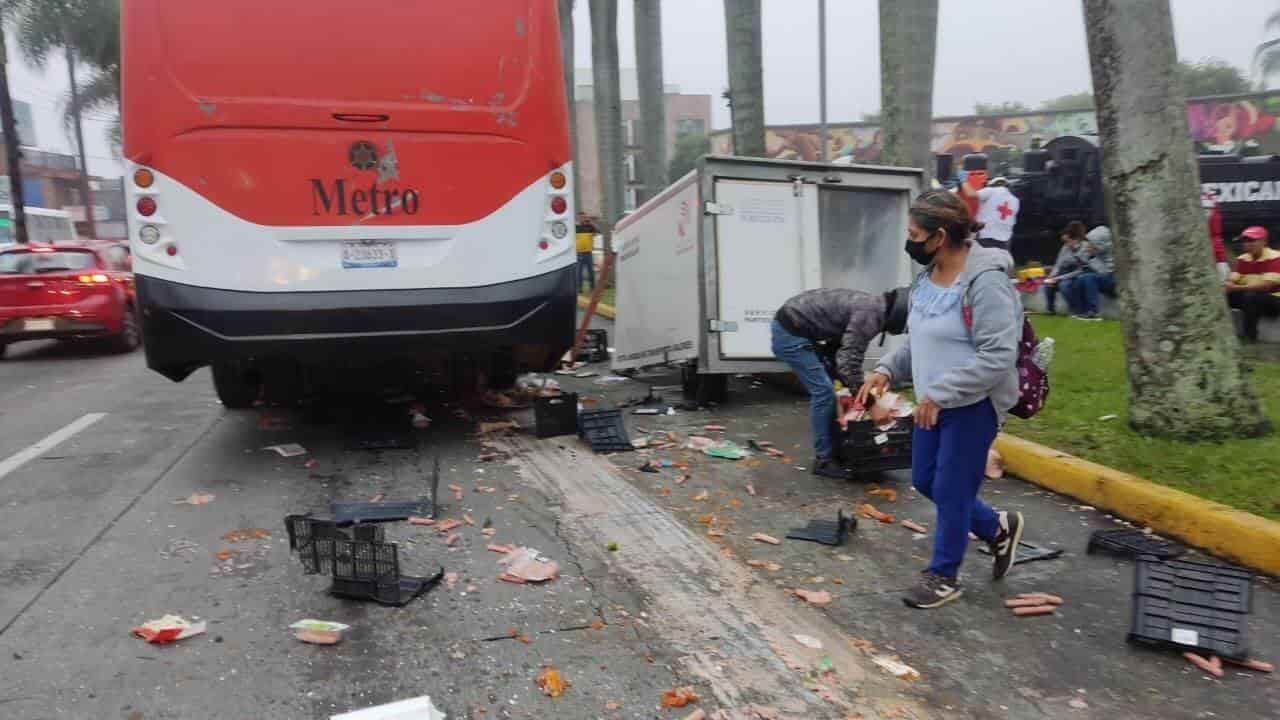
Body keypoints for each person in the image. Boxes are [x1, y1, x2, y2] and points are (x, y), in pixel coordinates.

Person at [856, 189, 1024, 610]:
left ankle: (944, 575)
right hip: (933, 402)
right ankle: (997, 528)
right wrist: (886, 370)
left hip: (972, 404)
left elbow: (999, 355)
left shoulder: (986, 282)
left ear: (940, 235)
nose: (910, 242)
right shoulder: (926, 279)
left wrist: (943, 393)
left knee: (950, 488)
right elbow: (921, 342)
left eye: (915, 234)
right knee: (925, 479)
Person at [771, 287, 910, 480]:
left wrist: (856, 389)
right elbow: (848, 362)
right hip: (790, 334)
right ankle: (824, 460)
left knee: (839, 386)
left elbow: (841, 351)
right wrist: (871, 405)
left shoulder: (873, 304)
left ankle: (838, 449)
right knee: (824, 392)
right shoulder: (871, 316)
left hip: (799, 328)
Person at [1225, 225, 1280, 342]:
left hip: (1275, 300)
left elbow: (1266, 286)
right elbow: (1233, 279)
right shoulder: (1242, 259)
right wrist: (1229, 285)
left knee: (1251, 297)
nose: (1247, 244)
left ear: (1264, 241)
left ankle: (1249, 337)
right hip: (1250, 297)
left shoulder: (1276, 258)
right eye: (1245, 241)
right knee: (1221, 296)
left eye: (1252, 240)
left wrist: (1236, 288)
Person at [1067, 225, 1115, 321]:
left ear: (1101, 244)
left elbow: (1105, 272)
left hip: (1114, 280)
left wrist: (1092, 259)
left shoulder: (1112, 254)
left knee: (1089, 277)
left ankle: (1094, 312)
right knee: (1080, 279)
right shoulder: (1098, 254)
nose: (1088, 246)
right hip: (1105, 278)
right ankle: (1081, 311)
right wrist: (1090, 257)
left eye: (1091, 244)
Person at [1043, 221, 1087, 315]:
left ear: (1076, 239)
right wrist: (1052, 276)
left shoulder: (1084, 247)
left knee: (1064, 286)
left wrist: (1058, 278)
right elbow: (1058, 264)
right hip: (1063, 273)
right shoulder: (1065, 247)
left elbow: (1080, 270)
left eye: (1068, 241)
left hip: (1075, 274)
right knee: (1048, 285)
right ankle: (1050, 309)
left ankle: (1075, 310)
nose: (1066, 244)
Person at [972, 176, 1020, 252]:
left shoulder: (991, 190)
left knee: (984, 261)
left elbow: (970, 194)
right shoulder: (1015, 200)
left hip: (987, 236)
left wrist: (962, 180)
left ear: (992, 184)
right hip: (1005, 239)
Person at [575, 214, 597, 294]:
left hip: (588, 252)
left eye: (584, 217)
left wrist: (590, 222)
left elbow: (597, 231)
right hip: (578, 253)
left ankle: (592, 288)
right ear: (578, 218)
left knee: (591, 271)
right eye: (581, 217)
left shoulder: (590, 227)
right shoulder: (575, 227)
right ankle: (579, 288)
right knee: (578, 272)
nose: (583, 219)